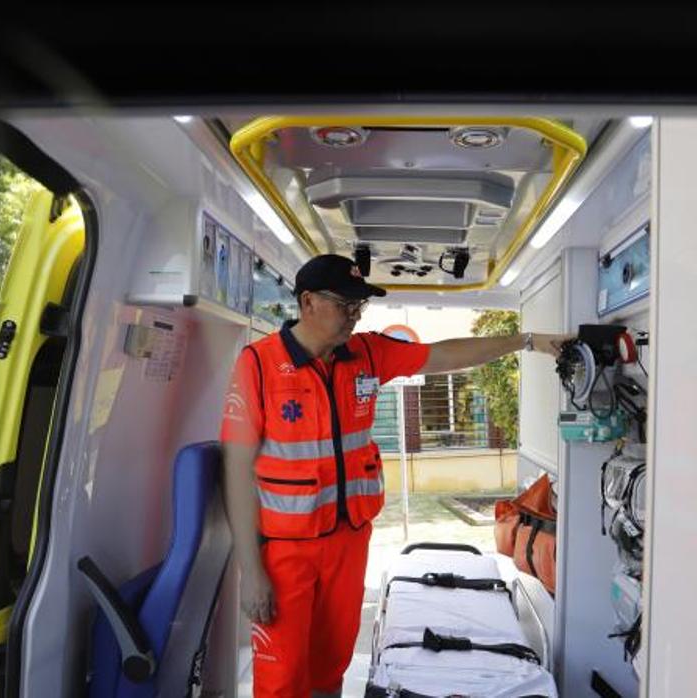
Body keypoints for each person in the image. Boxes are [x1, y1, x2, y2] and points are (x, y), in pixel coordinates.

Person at [219, 254, 571, 697]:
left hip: (348, 544)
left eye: (359, 307)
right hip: (286, 551)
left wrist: (528, 340)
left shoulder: (366, 353)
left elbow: (443, 354)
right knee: (282, 680)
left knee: (331, 669)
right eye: (344, 304)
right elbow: (234, 469)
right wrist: (251, 570)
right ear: (307, 302)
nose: (353, 316)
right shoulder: (258, 365)